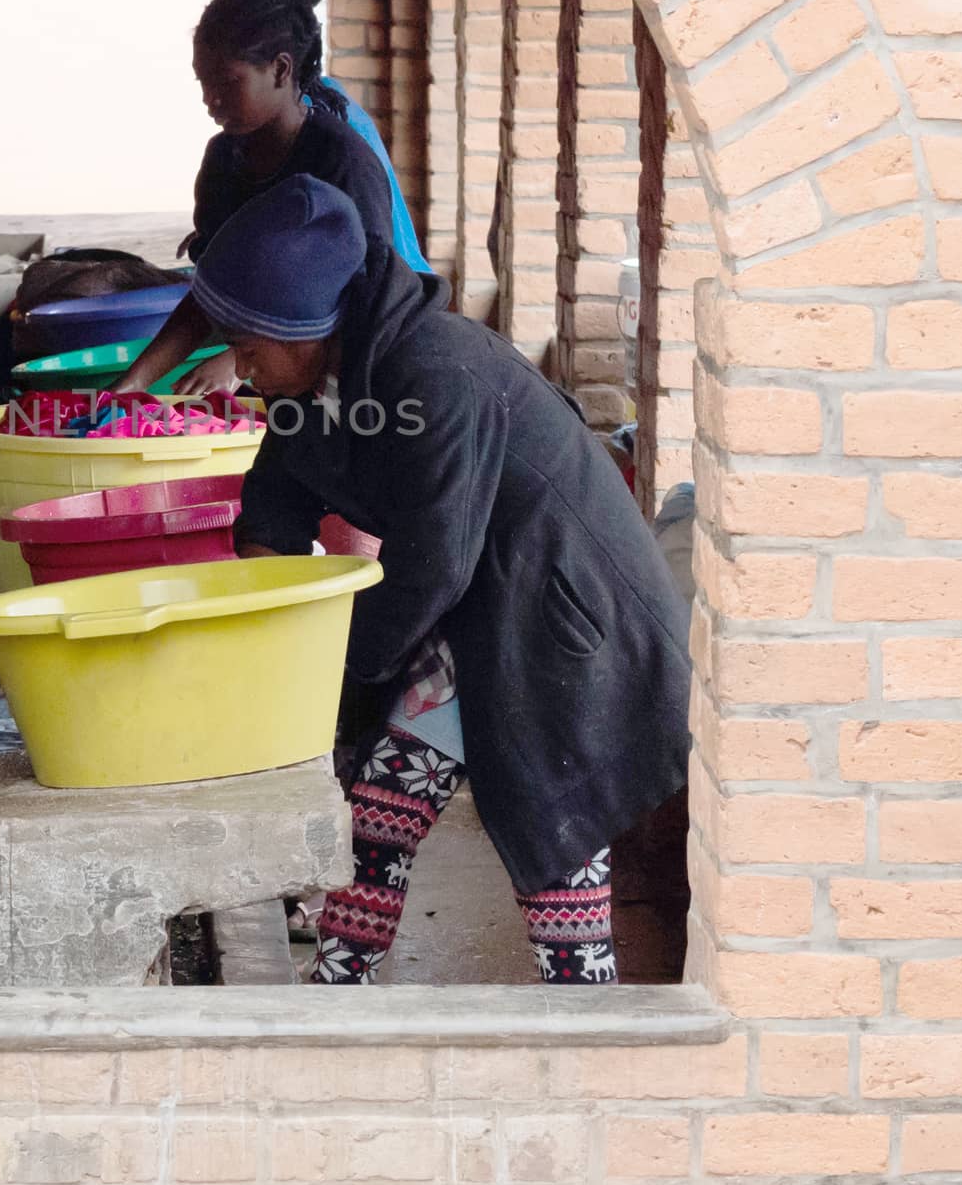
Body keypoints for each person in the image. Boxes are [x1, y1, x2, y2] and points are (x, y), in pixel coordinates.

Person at [194, 174, 692, 986]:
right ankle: (336, 993)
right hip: (475, 611)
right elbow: (279, 490)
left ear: (310, 324)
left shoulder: (434, 373)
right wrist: (262, 576)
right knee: (380, 809)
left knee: (552, 840)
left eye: (249, 345)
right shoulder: (320, 377)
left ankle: (586, 1035)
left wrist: (324, 670)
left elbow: (430, 566)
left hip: (558, 622)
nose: (239, 367)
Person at [113, 0, 429, 396]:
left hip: (372, 366)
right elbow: (215, 295)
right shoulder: (223, 161)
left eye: (227, 82)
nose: (210, 99)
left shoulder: (342, 161)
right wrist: (134, 381)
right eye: (203, 82)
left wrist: (239, 359)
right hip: (279, 362)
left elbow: (367, 302)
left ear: (281, 70)